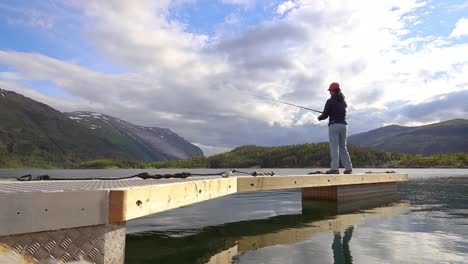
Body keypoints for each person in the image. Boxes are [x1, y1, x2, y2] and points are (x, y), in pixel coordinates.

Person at [318, 82, 353, 174]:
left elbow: (325, 115)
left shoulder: (330, 101)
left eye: (330, 90)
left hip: (334, 125)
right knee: (343, 147)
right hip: (344, 126)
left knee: (334, 147)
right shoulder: (343, 102)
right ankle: (348, 168)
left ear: (332, 91)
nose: (329, 92)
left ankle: (334, 169)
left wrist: (319, 117)